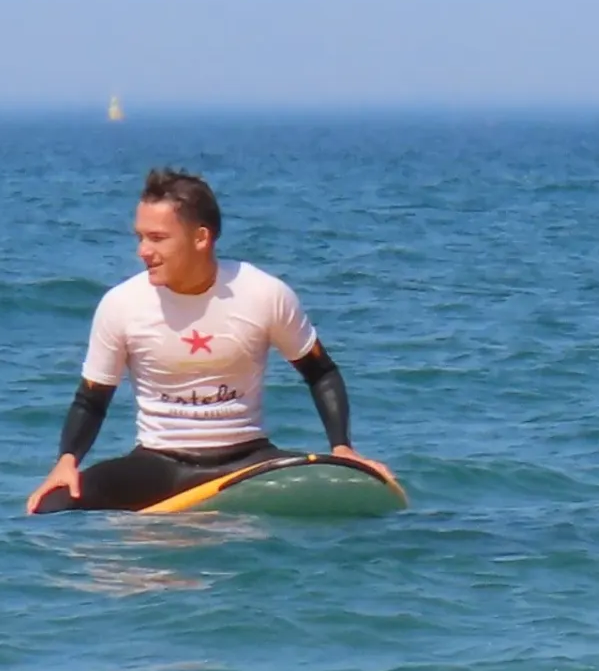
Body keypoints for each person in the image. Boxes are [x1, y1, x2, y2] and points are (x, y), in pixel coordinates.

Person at [25, 168, 372, 512]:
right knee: (49, 506)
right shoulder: (121, 304)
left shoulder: (263, 294)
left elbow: (320, 371)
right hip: (158, 467)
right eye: (140, 237)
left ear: (201, 238)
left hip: (247, 462)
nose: (142, 251)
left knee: (358, 487)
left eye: (157, 238)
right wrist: (66, 461)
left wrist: (341, 448)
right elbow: (92, 399)